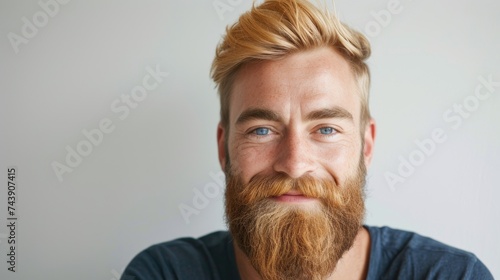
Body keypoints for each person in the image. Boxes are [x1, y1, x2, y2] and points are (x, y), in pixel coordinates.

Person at [122, 0, 493, 279]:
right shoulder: (164, 273)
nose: (295, 162)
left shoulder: (451, 275)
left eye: (326, 129)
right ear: (224, 148)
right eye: (262, 130)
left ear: (366, 145)